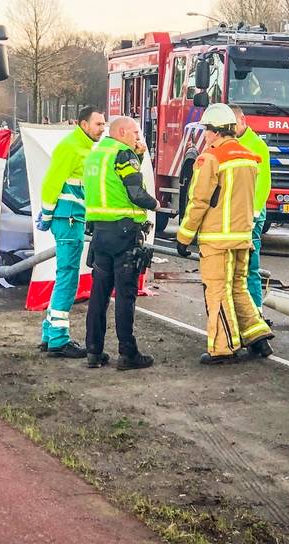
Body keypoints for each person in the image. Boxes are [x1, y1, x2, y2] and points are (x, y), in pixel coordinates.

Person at [175, 103, 273, 365]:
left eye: (207, 130)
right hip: (243, 236)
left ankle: (223, 348)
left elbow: (198, 201)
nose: (205, 135)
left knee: (217, 292)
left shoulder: (211, 158)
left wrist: (184, 237)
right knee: (239, 288)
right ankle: (258, 337)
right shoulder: (248, 157)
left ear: (216, 131)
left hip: (216, 239)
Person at [82, 116, 158, 370]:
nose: (138, 138)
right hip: (124, 233)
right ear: (122, 132)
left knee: (99, 294)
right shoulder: (123, 155)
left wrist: (139, 155)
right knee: (125, 295)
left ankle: (94, 350)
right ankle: (128, 352)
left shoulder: (96, 153)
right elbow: (135, 192)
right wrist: (156, 205)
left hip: (100, 233)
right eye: (136, 132)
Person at [35, 106, 107, 358]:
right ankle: (58, 339)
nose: (102, 128)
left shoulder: (84, 148)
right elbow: (51, 182)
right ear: (84, 125)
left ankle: (49, 333)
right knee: (68, 277)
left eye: (104, 124)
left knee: (65, 276)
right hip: (68, 220)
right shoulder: (71, 148)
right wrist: (46, 213)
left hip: (71, 218)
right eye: (98, 124)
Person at [231, 105, 271, 318]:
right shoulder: (230, 143)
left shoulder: (255, 145)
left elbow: (263, 183)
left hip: (250, 213)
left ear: (243, 121)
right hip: (235, 212)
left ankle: (256, 314)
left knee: (249, 266)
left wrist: (254, 213)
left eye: (233, 124)